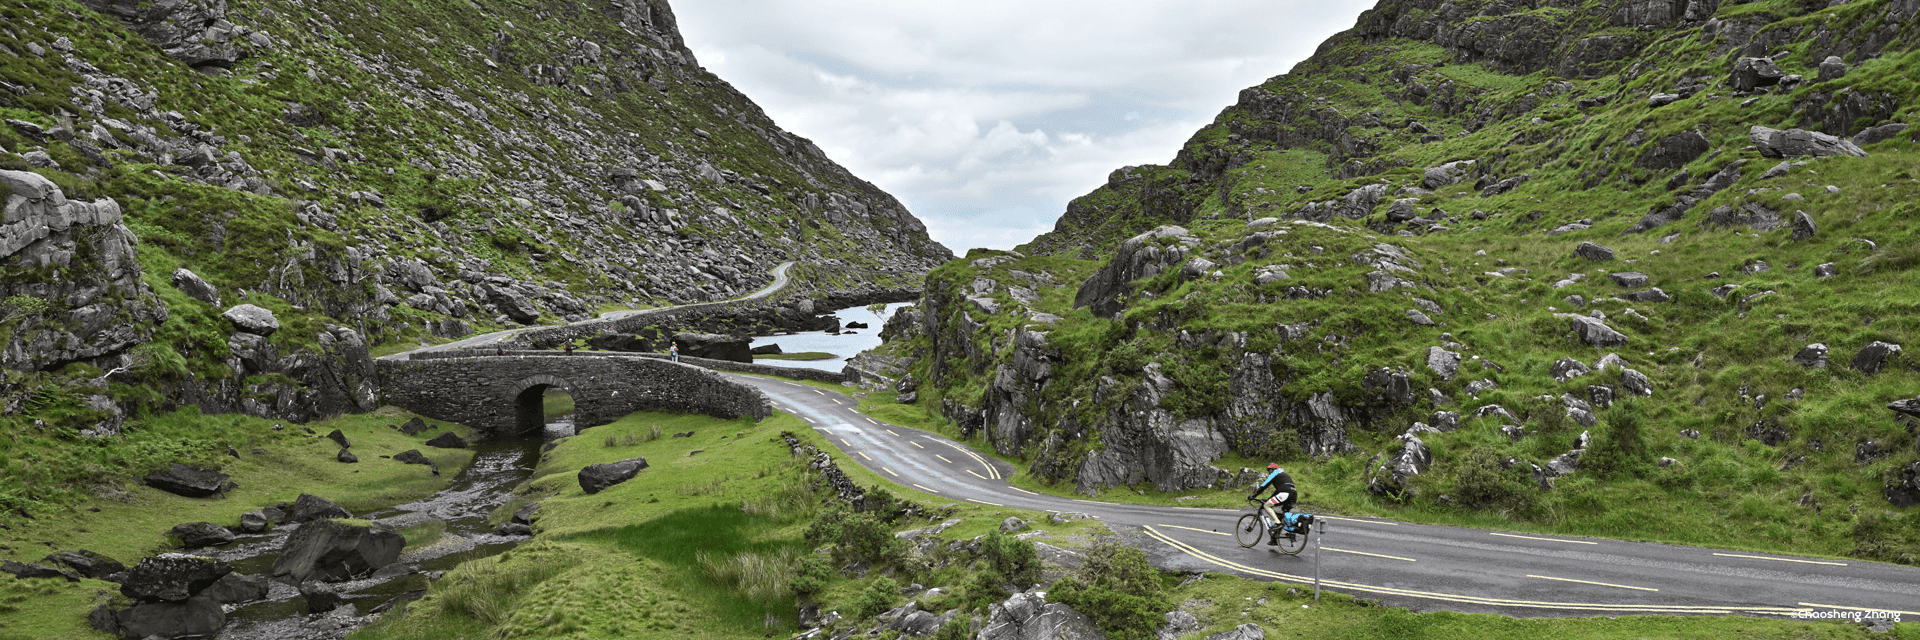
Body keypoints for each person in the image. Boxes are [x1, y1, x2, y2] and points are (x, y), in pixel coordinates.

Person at [1247, 463, 1297, 546]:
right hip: (1293, 495)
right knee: (1281, 515)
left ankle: (1277, 523)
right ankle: (1275, 539)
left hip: (1285, 494)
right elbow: (1278, 491)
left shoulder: (1275, 473)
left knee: (1266, 505)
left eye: (1269, 470)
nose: (1269, 472)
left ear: (1273, 469)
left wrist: (1254, 496)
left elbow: (1264, 486)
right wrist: (1268, 499)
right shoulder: (1283, 475)